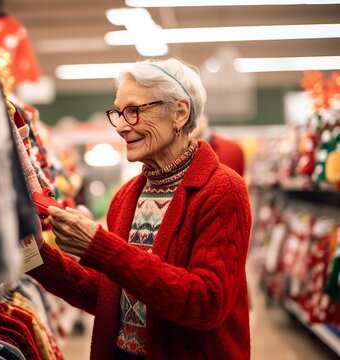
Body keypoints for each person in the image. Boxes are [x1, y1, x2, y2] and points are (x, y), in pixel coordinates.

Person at [28, 57, 252, 360]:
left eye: (133, 111)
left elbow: (206, 303)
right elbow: (111, 300)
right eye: (118, 113)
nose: (120, 126)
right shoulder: (125, 197)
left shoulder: (223, 190)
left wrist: (100, 246)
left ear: (179, 112)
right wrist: (34, 254)